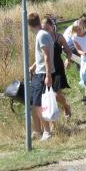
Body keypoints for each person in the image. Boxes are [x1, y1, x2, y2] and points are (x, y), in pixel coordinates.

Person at [27, 12, 54, 141]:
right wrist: (34, 66)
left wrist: (48, 75)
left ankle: (47, 132)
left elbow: (47, 56)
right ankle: (37, 131)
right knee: (34, 103)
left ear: (29, 25)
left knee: (38, 104)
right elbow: (42, 56)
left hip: (43, 74)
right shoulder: (42, 34)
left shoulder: (42, 35)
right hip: (39, 72)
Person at [45, 16, 73, 119]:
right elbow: (41, 56)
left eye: (47, 28)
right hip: (46, 69)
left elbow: (68, 51)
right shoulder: (42, 39)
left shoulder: (59, 37)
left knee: (56, 94)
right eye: (43, 29)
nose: (46, 31)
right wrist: (34, 66)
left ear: (52, 26)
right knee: (49, 96)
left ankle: (66, 106)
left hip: (57, 68)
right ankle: (54, 118)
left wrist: (67, 59)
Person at [71, 19, 86, 104]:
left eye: (79, 29)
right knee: (83, 74)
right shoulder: (75, 37)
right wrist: (82, 53)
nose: (78, 31)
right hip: (84, 58)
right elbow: (78, 49)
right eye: (76, 29)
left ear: (83, 28)